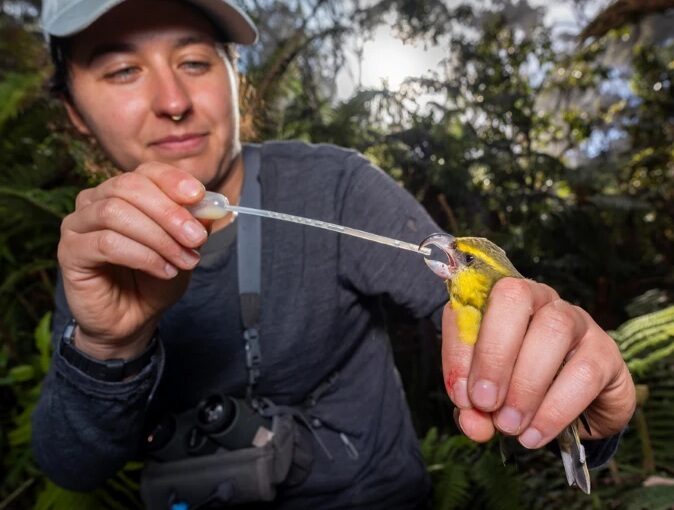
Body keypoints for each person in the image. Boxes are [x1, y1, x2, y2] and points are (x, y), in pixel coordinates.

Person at [32, 0, 636, 508]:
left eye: (194, 61)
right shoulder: (94, 254)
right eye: (120, 71)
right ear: (74, 113)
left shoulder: (336, 189)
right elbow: (71, 467)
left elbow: (493, 322)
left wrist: (569, 396)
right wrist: (107, 348)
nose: (172, 100)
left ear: (234, 76)